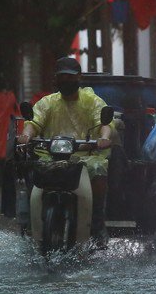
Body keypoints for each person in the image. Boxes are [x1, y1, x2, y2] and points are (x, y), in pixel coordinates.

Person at [17, 55, 114, 236]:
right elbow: (34, 123)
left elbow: (104, 124)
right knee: (30, 173)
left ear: (79, 77)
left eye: (70, 77)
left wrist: (104, 138)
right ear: (56, 79)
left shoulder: (92, 101)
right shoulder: (47, 102)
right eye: (62, 77)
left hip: (87, 156)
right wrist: (25, 135)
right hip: (50, 156)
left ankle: (97, 223)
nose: (66, 81)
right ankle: (31, 225)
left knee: (99, 171)